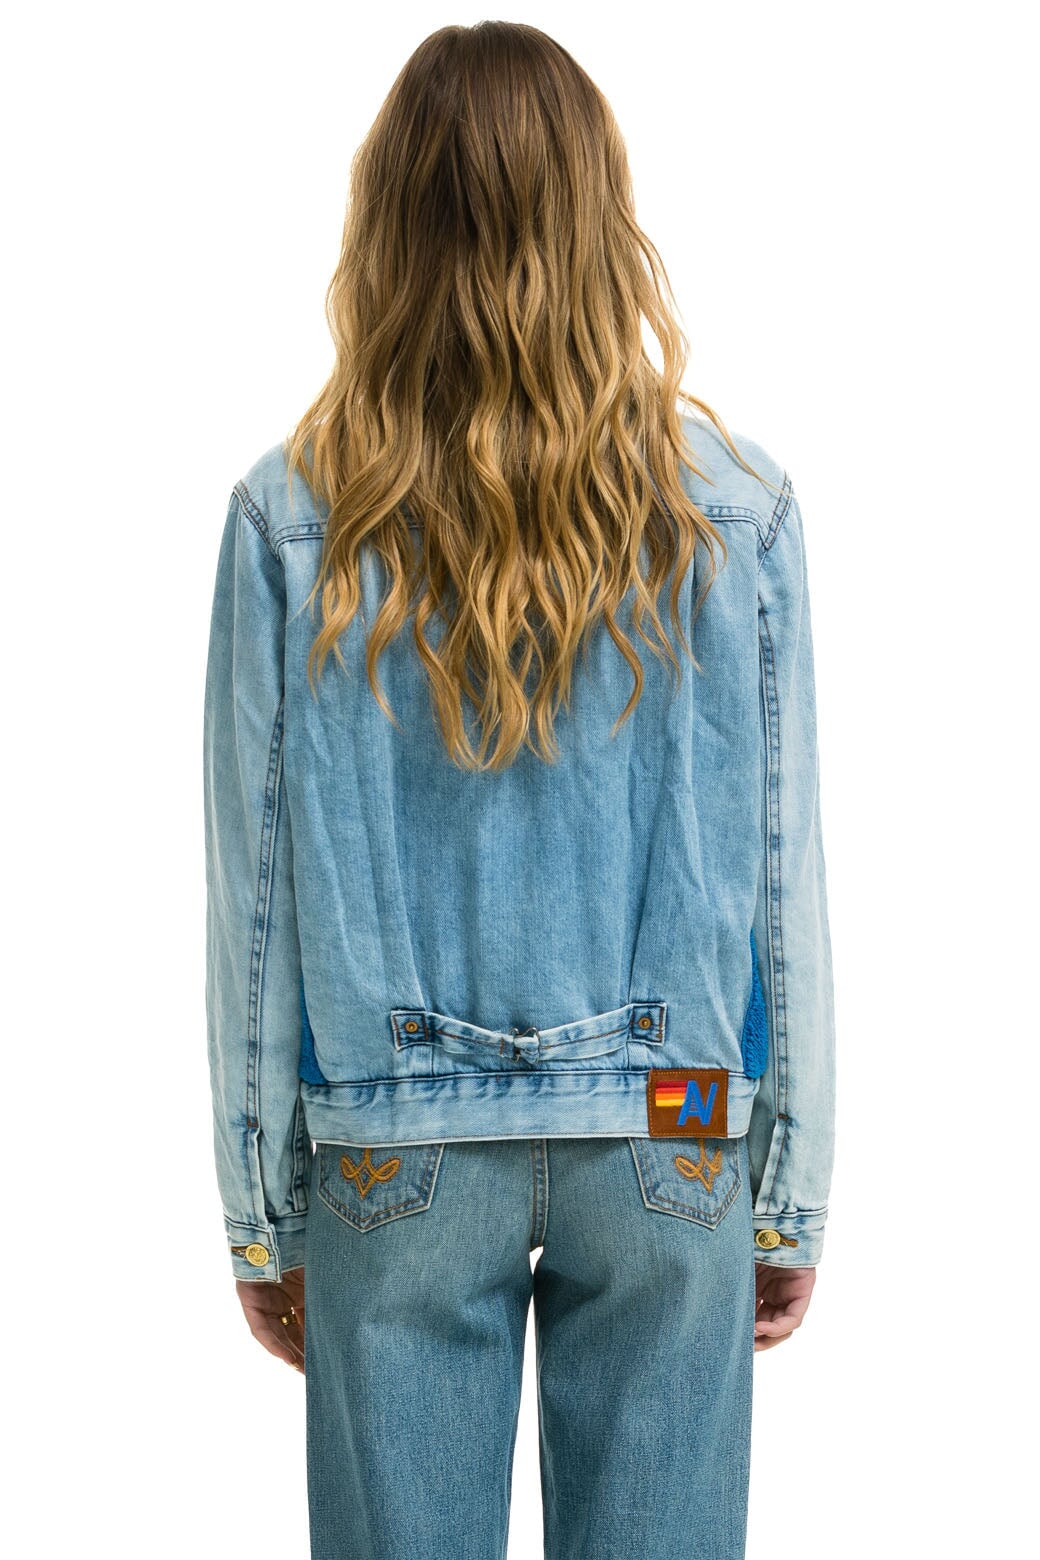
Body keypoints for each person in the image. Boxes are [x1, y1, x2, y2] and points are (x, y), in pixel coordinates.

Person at [202, 21, 837, 1560]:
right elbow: (780, 876)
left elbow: (257, 901)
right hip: (675, 1113)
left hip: (392, 1137)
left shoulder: (295, 518)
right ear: (602, 216)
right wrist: (784, 1180)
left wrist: (264, 1204)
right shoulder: (735, 510)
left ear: (388, 224)